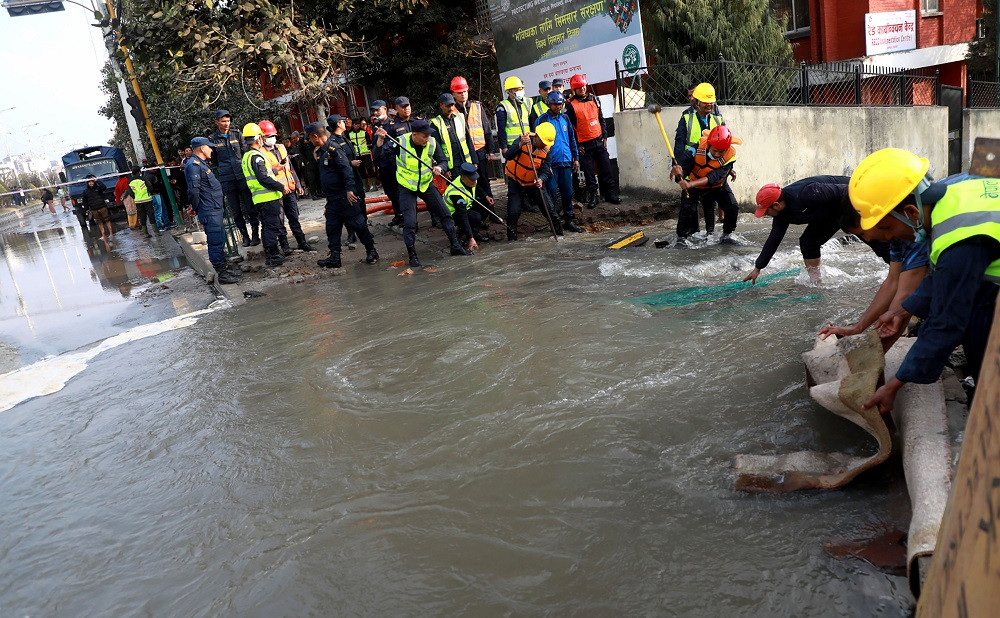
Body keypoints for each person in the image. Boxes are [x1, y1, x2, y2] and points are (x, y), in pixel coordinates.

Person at [847, 148, 999, 414]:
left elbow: (946, 322)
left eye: (886, 227)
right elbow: (946, 277)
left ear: (910, 212)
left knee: (975, 322)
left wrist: (895, 384)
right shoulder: (950, 190)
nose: (889, 237)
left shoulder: (959, 237)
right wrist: (902, 310)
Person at [380, 118, 472, 266]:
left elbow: (443, 161)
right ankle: (412, 256)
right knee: (410, 222)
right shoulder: (399, 142)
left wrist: (440, 168)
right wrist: (380, 140)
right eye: (424, 136)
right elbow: (380, 155)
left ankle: (455, 246)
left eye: (429, 135)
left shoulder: (432, 143)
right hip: (407, 186)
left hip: (426, 183)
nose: (427, 138)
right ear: (414, 134)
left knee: (445, 214)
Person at [743, 176, 852, 284]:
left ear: (776, 205)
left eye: (766, 212)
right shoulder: (780, 215)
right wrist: (758, 268)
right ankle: (816, 282)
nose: (765, 215)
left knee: (859, 230)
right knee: (808, 242)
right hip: (827, 211)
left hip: (851, 195)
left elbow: (847, 191)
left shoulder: (807, 193)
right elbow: (774, 240)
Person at [304, 122, 379, 268]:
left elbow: (346, 170)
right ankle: (335, 258)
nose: (310, 141)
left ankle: (371, 250)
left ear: (315, 136)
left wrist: (350, 190)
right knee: (332, 228)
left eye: (310, 138)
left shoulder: (334, 149)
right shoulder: (320, 152)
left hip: (344, 197)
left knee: (358, 224)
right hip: (332, 199)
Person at [185, 136, 241, 284]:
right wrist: (196, 207)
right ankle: (221, 273)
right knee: (215, 241)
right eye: (209, 147)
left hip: (214, 207)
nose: (211, 149)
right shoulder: (194, 165)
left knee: (220, 239)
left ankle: (224, 268)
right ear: (202, 148)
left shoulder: (201, 164)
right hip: (209, 209)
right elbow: (194, 191)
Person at [671, 125, 739, 242]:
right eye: (714, 151)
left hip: (717, 185)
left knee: (732, 206)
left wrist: (689, 185)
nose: (717, 154)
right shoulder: (695, 150)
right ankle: (682, 238)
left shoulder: (730, 157)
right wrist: (679, 172)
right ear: (709, 145)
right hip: (695, 183)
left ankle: (727, 235)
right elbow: (683, 168)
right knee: (687, 208)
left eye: (721, 152)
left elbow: (713, 177)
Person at [564, 73, 621, 207]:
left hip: (599, 141)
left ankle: (610, 194)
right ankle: (593, 196)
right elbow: (570, 128)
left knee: (606, 169)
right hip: (584, 145)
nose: (582, 89)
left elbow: (601, 118)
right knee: (589, 173)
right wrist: (577, 145)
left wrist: (605, 136)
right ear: (574, 90)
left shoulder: (594, 99)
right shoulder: (570, 105)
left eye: (583, 87)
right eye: (579, 88)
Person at [259, 119, 315, 253]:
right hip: (276, 191)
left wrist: (297, 184)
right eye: (268, 136)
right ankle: (285, 246)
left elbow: (290, 168)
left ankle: (302, 242)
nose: (271, 138)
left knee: (294, 217)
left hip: (289, 189)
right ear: (262, 137)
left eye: (273, 136)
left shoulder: (281, 148)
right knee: (280, 220)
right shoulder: (261, 153)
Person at [240, 122, 290, 267]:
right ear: (258, 139)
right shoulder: (257, 156)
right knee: (271, 227)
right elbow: (263, 178)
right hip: (268, 197)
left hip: (260, 198)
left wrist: (275, 171)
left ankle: (271, 254)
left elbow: (260, 176)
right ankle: (273, 256)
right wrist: (281, 187)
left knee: (266, 227)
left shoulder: (247, 156)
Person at [209, 109, 260, 246]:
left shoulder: (237, 134)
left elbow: (245, 152)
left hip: (242, 176)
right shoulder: (213, 140)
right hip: (227, 179)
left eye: (228, 121)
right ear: (217, 122)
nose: (226, 123)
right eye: (223, 121)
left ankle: (255, 233)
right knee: (236, 211)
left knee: (250, 207)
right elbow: (213, 160)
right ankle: (245, 236)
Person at [535, 90, 583, 233]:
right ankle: (554, 223)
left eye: (560, 104)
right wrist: (544, 165)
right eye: (555, 104)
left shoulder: (565, 119)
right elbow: (537, 143)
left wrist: (576, 158)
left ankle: (569, 220)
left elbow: (572, 139)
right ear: (549, 104)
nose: (558, 107)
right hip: (550, 164)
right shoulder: (542, 120)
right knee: (551, 194)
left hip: (566, 161)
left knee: (568, 193)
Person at [504, 122, 560, 239]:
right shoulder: (523, 139)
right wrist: (519, 144)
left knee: (549, 210)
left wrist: (541, 179)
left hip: (533, 183)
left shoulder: (547, 151)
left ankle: (559, 234)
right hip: (516, 181)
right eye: (543, 142)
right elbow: (508, 155)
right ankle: (512, 241)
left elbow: (545, 170)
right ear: (536, 137)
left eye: (546, 143)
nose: (544, 145)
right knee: (513, 212)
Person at [450, 75, 497, 209]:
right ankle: (476, 209)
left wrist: (491, 150)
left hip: (480, 150)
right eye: (459, 92)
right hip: (464, 153)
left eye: (465, 91)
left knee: (484, 180)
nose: (463, 94)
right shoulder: (452, 110)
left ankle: (490, 209)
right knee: (468, 181)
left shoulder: (477, 106)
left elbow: (486, 128)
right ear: (454, 94)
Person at [329, 113, 367, 245]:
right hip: (345, 179)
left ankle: (364, 230)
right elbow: (336, 164)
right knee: (349, 207)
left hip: (355, 177)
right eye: (342, 121)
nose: (345, 122)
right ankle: (351, 234)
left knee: (361, 202)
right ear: (338, 124)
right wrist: (351, 163)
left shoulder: (346, 138)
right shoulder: (333, 142)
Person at [430, 93, 477, 178]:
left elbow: (468, 140)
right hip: (452, 167)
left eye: (452, 105)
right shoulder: (436, 123)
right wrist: (445, 169)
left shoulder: (460, 118)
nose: (451, 108)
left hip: (466, 161)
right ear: (441, 105)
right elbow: (437, 149)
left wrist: (475, 161)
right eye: (448, 106)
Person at [495, 76, 531, 149]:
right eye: (519, 89)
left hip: (527, 143)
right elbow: (501, 129)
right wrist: (504, 147)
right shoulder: (503, 107)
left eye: (522, 88)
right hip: (512, 146)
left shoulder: (527, 103)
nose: (522, 91)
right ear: (511, 91)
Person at [126, 166, 157, 237]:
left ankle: (145, 233)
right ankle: (156, 232)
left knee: (142, 216)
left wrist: (136, 197)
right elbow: (150, 188)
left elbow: (130, 192)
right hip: (147, 200)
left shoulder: (130, 181)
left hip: (138, 201)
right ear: (139, 172)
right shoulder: (143, 179)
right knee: (151, 215)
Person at [81, 175, 113, 239]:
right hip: (94, 209)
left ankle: (111, 233)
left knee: (107, 220)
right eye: (89, 182)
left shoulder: (98, 188)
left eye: (92, 181)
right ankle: (103, 235)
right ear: (87, 183)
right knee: (99, 222)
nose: (91, 183)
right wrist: (86, 209)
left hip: (102, 207)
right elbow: (85, 201)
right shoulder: (85, 192)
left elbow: (104, 187)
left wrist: (97, 180)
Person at [348, 118, 375, 192]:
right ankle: (366, 186)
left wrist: (368, 148)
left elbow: (369, 142)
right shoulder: (350, 134)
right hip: (357, 155)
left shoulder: (364, 132)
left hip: (366, 153)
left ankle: (374, 185)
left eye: (359, 124)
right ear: (353, 125)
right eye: (356, 124)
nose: (358, 126)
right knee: (361, 170)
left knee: (369, 168)